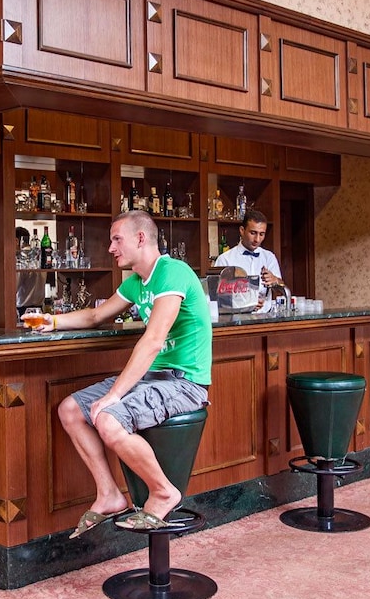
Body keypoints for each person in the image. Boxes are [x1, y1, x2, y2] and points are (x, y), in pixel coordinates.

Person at [24, 210, 212, 535]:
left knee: (108, 418)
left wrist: (114, 396)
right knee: (70, 410)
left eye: (116, 239)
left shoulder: (173, 272)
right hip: (154, 379)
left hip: (184, 383)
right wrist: (51, 320)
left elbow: (153, 341)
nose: (111, 248)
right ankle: (109, 494)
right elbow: (95, 316)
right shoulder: (137, 283)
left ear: (140, 238)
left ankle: (163, 492)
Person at [213, 209, 282, 313]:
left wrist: (275, 280)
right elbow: (217, 298)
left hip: (265, 317)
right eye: (253, 233)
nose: (257, 239)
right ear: (242, 230)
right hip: (236, 319)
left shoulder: (269, 257)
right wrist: (245, 304)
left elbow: (281, 288)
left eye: (261, 234)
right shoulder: (225, 259)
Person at [15, 226, 46, 314]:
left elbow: (13, 288)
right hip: (40, 309)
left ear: (16, 241)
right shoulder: (39, 256)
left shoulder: (20, 259)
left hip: (24, 310)